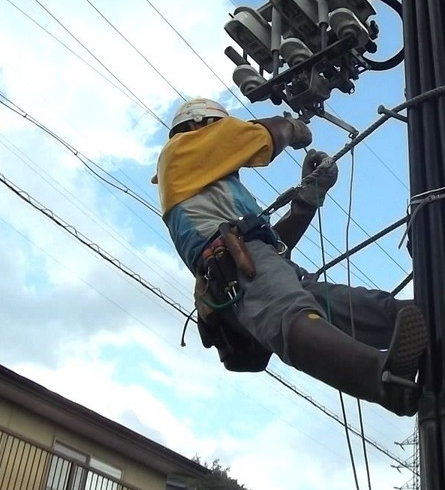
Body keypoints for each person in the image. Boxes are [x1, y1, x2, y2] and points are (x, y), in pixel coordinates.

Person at [152, 97, 427, 416]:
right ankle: (384, 380)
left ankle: (434, 325)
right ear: (200, 126)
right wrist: (291, 127)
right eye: (216, 129)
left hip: (262, 263)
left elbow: (274, 246)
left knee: (351, 306)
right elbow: (255, 135)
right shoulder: (179, 154)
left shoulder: (213, 188)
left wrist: (308, 199)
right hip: (236, 266)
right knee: (289, 314)